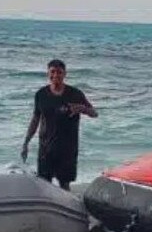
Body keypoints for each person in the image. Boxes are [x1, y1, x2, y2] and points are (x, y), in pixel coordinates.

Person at [21, 59, 97, 190]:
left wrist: (83, 109)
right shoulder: (41, 94)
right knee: (44, 185)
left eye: (59, 72)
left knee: (64, 185)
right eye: (52, 72)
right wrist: (26, 143)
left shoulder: (75, 94)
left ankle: (68, 209)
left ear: (65, 74)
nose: (56, 75)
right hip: (46, 148)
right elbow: (35, 119)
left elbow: (94, 113)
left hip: (67, 149)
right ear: (48, 73)